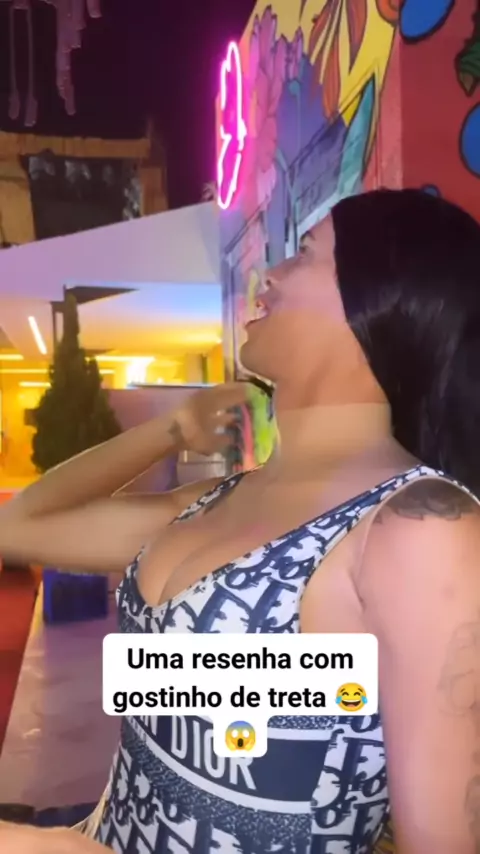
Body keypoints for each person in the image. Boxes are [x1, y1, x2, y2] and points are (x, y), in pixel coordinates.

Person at [1, 187, 480, 854]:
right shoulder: (218, 501)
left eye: (305, 253)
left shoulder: (419, 526)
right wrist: (171, 429)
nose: (270, 274)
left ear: (380, 299)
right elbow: (19, 526)